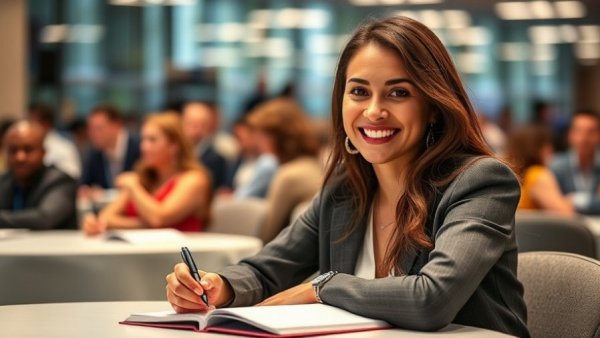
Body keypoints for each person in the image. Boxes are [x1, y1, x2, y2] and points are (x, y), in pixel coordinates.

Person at [165, 16, 529, 337]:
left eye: (398, 93)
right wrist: (218, 285)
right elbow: (266, 271)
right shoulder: (345, 190)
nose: (374, 111)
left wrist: (322, 287)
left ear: (433, 107)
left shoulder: (480, 182)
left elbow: (431, 299)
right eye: (358, 92)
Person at [83, 113, 212, 235]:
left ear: (174, 146)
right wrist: (146, 224)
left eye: (152, 140)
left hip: (179, 254)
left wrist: (134, 187)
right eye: (143, 140)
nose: (144, 147)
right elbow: (106, 218)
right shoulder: (143, 178)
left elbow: (158, 218)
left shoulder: (195, 179)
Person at [243, 98, 323, 243]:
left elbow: (268, 235)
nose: (257, 141)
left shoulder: (289, 175)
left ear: (277, 137)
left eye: (262, 134)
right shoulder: (312, 164)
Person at [0, 121, 77, 229]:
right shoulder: (4, 181)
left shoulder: (60, 181)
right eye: (13, 150)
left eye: (28, 149)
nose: (20, 157)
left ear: (43, 152)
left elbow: (45, 219)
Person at [505, 125, 574, 216]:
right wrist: (570, 201)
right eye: (547, 145)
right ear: (535, 149)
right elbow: (567, 213)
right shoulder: (537, 174)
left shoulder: (513, 175)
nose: (551, 150)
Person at [551, 109, 600, 215]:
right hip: (568, 228)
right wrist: (594, 200)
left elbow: (565, 203)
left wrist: (575, 200)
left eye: (591, 132)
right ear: (570, 135)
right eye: (579, 131)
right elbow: (556, 207)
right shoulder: (556, 165)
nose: (584, 138)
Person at [80, 104, 141, 190]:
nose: (92, 134)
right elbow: (85, 185)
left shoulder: (139, 148)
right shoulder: (94, 153)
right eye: (90, 129)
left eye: (98, 128)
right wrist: (87, 191)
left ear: (116, 126)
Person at [181, 101, 228, 191]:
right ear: (183, 123)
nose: (197, 130)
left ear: (209, 126)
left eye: (202, 125)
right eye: (193, 124)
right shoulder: (175, 152)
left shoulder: (216, 159)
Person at [28, 103, 81, 179]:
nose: (29, 126)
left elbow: (72, 178)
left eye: (32, 121)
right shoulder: (26, 148)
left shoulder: (65, 148)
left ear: (46, 123)